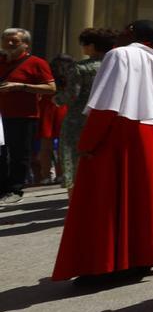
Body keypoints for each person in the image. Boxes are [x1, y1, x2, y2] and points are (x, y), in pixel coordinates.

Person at [52, 20, 153, 280]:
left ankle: (105, 263)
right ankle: (143, 256)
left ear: (133, 34)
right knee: (144, 199)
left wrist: (88, 142)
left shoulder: (119, 55)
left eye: (125, 29)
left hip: (121, 132)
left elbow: (106, 103)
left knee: (108, 200)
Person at [57, 28, 118, 199]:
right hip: (106, 118)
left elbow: (71, 95)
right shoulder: (115, 66)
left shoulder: (80, 68)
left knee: (73, 158)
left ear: (91, 46)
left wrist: (56, 99)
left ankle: (75, 200)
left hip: (78, 118)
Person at [0, 28, 56, 205]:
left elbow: (51, 88)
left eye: (14, 41)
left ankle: (15, 188)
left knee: (18, 153)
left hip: (23, 115)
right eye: (6, 40)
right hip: (1, 116)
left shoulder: (37, 63)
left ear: (25, 44)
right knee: (2, 154)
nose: (9, 44)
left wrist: (21, 86)